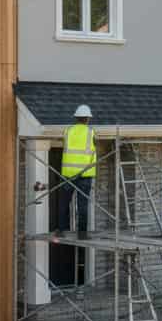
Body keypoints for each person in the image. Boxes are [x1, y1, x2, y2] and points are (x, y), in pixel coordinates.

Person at [52, 103, 96, 242]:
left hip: (68, 174)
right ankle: (82, 234)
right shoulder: (91, 132)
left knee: (64, 203)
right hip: (85, 174)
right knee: (82, 204)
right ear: (88, 118)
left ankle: (60, 230)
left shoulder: (68, 131)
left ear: (76, 117)